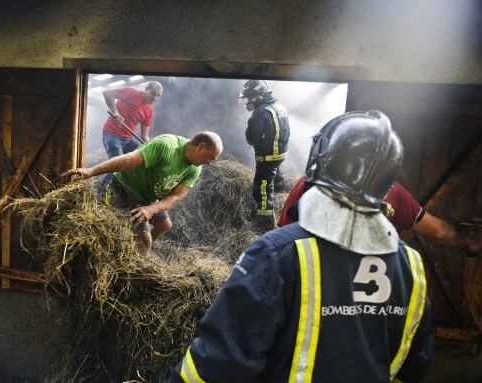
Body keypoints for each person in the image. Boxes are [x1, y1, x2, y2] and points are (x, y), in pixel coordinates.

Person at [168, 110, 432, 383]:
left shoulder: (277, 253)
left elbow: (219, 365)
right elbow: (414, 364)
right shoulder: (411, 266)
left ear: (321, 160)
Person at [62, 132, 222, 253]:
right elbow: (128, 160)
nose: (209, 163)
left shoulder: (195, 168)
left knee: (164, 225)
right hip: (124, 187)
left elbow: (175, 196)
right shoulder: (166, 146)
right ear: (201, 147)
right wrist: (91, 171)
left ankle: (132, 250)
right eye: (211, 158)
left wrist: (151, 209)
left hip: (147, 198)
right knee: (145, 241)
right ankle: (131, 264)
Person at [277, 165, 481, 256]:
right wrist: (466, 242)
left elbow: (281, 237)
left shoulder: (308, 184)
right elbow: (438, 231)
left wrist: (467, 242)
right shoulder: (392, 190)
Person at [239, 79, 290, 232]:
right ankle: (279, 186)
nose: (247, 102)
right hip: (280, 152)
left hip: (267, 156)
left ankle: (265, 220)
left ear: (257, 96)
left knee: (261, 187)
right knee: (274, 173)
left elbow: (251, 137)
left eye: (248, 98)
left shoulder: (260, 112)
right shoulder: (279, 107)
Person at [102, 81, 163, 158]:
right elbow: (107, 93)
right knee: (117, 164)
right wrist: (116, 113)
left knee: (142, 156)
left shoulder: (149, 110)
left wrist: (154, 149)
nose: (155, 98)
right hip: (112, 134)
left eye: (158, 96)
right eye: (153, 93)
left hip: (128, 139)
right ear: (146, 89)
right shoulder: (132, 93)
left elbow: (144, 136)